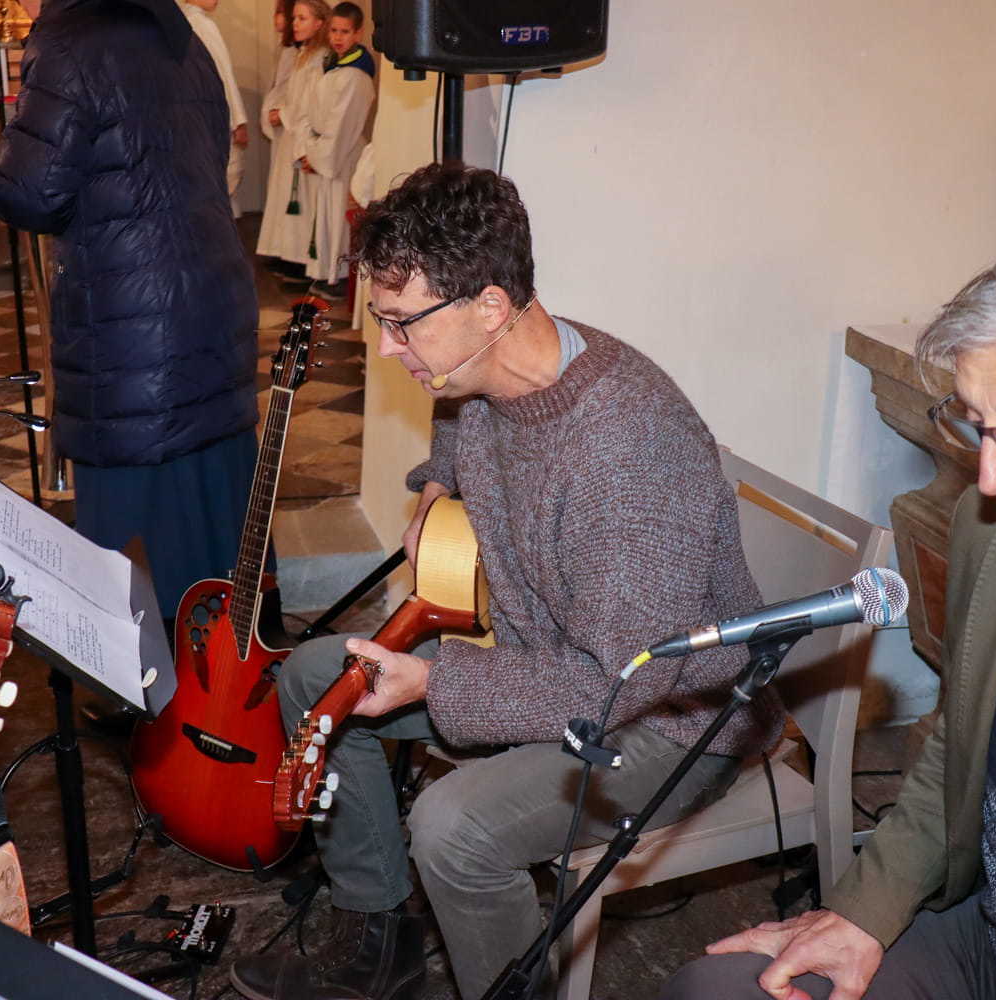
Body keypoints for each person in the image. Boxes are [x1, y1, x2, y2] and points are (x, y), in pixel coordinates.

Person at [230, 163, 783, 1000]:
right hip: (550, 660)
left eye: (401, 325)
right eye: (381, 321)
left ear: (489, 306)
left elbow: (622, 683)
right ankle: (379, 938)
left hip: (673, 718)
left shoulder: (626, 454)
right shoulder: (498, 362)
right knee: (314, 675)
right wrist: (435, 489)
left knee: (452, 827)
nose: (387, 348)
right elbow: (461, 422)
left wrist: (438, 681)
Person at [660, 214, 996, 1000]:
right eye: (977, 424)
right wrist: (865, 909)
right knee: (713, 990)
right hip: (990, 940)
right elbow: (959, 744)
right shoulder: (992, 537)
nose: (990, 478)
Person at [0, 0, 258, 626]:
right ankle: (225, 670)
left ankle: (146, 679)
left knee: (134, 548)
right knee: (212, 518)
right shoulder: (180, 33)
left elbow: (31, 193)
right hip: (210, 298)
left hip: (130, 323)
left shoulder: (70, 41)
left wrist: (6, 156)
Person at [298, 1, 374, 301]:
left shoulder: (356, 74)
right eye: (334, 31)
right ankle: (326, 272)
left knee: (338, 220)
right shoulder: (334, 64)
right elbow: (314, 112)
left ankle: (339, 276)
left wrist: (318, 157)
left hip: (342, 156)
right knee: (326, 217)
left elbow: (342, 125)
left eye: (345, 32)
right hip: (325, 150)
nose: (338, 37)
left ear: (358, 33)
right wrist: (311, 149)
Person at [256, 0, 330, 287]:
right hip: (292, 134)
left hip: (303, 137)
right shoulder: (303, 54)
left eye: (302, 18)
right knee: (288, 197)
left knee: (302, 200)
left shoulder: (320, 57)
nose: (294, 23)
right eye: (294, 18)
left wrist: (284, 114)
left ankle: (301, 261)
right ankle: (289, 254)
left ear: (319, 23)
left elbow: (311, 103)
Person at [177, 0, 248, 215]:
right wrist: (238, 120)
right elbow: (223, 75)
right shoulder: (202, 24)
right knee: (224, 181)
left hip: (194, 117)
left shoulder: (180, 23)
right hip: (216, 117)